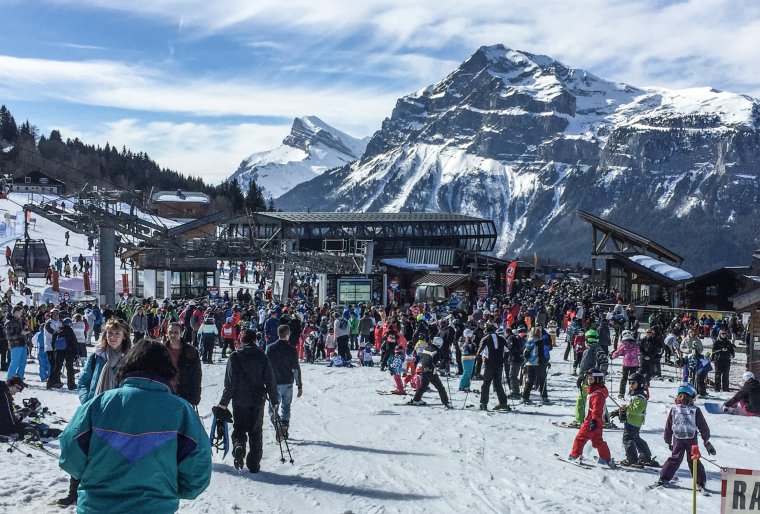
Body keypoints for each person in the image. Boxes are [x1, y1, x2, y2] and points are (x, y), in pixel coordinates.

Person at [59, 339, 212, 513]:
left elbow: (69, 452)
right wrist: (173, 489)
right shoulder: (181, 411)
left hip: (98, 506)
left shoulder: (99, 404)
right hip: (155, 507)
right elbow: (198, 465)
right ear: (168, 370)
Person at [55, 319, 132, 507]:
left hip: (117, 414)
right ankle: (74, 491)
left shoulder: (130, 359)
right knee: (81, 449)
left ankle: (108, 493)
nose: (113, 337)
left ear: (124, 336)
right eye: (110, 334)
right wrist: (86, 401)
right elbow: (84, 382)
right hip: (93, 410)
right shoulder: (97, 356)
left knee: (112, 454)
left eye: (117, 334)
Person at [217, 329, 279, 472]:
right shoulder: (262, 356)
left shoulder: (235, 356)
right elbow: (270, 380)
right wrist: (274, 400)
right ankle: (254, 464)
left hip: (240, 398)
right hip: (258, 399)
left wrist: (223, 403)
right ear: (255, 340)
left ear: (241, 340)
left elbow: (230, 383)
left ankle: (239, 447)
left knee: (239, 428)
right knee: (256, 431)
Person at [656, 384, 716, 490]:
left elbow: (669, 425)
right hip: (691, 439)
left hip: (677, 439)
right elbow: (703, 426)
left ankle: (664, 477)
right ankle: (700, 482)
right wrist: (706, 439)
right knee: (694, 460)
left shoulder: (674, 409)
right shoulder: (695, 410)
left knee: (674, 458)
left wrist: (667, 439)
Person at [568, 369, 614, 467]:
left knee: (580, 438)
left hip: (591, 420)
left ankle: (575, 456)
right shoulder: (596, 391)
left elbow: (597, 409)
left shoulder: (597, 394)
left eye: (591, 379)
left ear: (597, 379)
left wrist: (594, 421)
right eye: (588, 378)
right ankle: (605, 458)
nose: (589, 380)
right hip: (597, 421)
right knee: (597, 441)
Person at [611, 372, 656, 467]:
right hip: (632, 421)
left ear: (640, 384)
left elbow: (636, 410)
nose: (630, 385)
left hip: (633, 422)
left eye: (633, 383)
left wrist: (626, 408)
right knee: (636, 438)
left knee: (627, 439)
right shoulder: (634, 396)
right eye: (630, 383)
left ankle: (632, 459)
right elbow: (629, 406)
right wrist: (619, 411)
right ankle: (645, 456)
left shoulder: (640, 398)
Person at [266, 325, 302, 441]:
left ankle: (279, 426)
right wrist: (299, 385)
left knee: (272, 409)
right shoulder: (292, 349)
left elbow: (266, 367)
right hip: (288, 383)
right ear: (288, 334)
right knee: (286, 407)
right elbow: (296, 368)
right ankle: (284, 428)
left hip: (274, 383)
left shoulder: (270, 348)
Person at [164, 321, 202, 407]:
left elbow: (197, 375)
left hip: (185, 393)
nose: (173, 335)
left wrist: (195, 397)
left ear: (181, 333)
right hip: (165, 392)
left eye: (176, 332)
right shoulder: (161, 350)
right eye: (170, 332)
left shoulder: (191, 351)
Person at [408, 336, 452, 408]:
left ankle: (416, 399)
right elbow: (437, 362)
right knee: (440, 387)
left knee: (423, 386)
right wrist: (443, 364)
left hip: (423, 369)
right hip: (431, 371)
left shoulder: (426, 348)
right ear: (439, 344)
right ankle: (446, 402)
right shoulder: (436, 351)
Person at [478, 325, 510, 411]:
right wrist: (503, 360)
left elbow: (479, 352)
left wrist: (478, 363)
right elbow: (507, 351)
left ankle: (484, 403)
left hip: (489, 365)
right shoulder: (502, 339)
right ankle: (503, 403)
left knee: (486, 384)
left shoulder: (485, 339)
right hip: (499, 365)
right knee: (498, 384)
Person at [48, 318, 79, 390]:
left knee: (57, 368)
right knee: (70, 368)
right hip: (69, 352)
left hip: (58, 352)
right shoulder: (70, 331)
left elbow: (53, 342)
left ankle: (52, 382)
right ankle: (71, 385)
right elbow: (74, 342)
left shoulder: (57, 331)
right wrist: (76, 353)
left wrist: (54, 350)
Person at [611, 330, 640, 400]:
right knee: (633, 379)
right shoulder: (635, 344)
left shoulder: (623, 344)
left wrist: (612, 356)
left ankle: (621, 393)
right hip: (634, 363)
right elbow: (639, 352)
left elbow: (618, 352)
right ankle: (632, 392)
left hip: (626, 363)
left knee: (624, 379)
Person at [4, 306, 29, 380]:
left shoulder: (20, 321)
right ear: (16, 312)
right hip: (15, 345)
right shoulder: (9, 322)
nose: (22, 314)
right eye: (21, 312)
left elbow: (20, 332)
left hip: (22, 344)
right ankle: (9, 380)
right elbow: (9, 336)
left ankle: (19, 380)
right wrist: (21, 333)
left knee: (22, 363)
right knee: (15, 363)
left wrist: (25, 329)